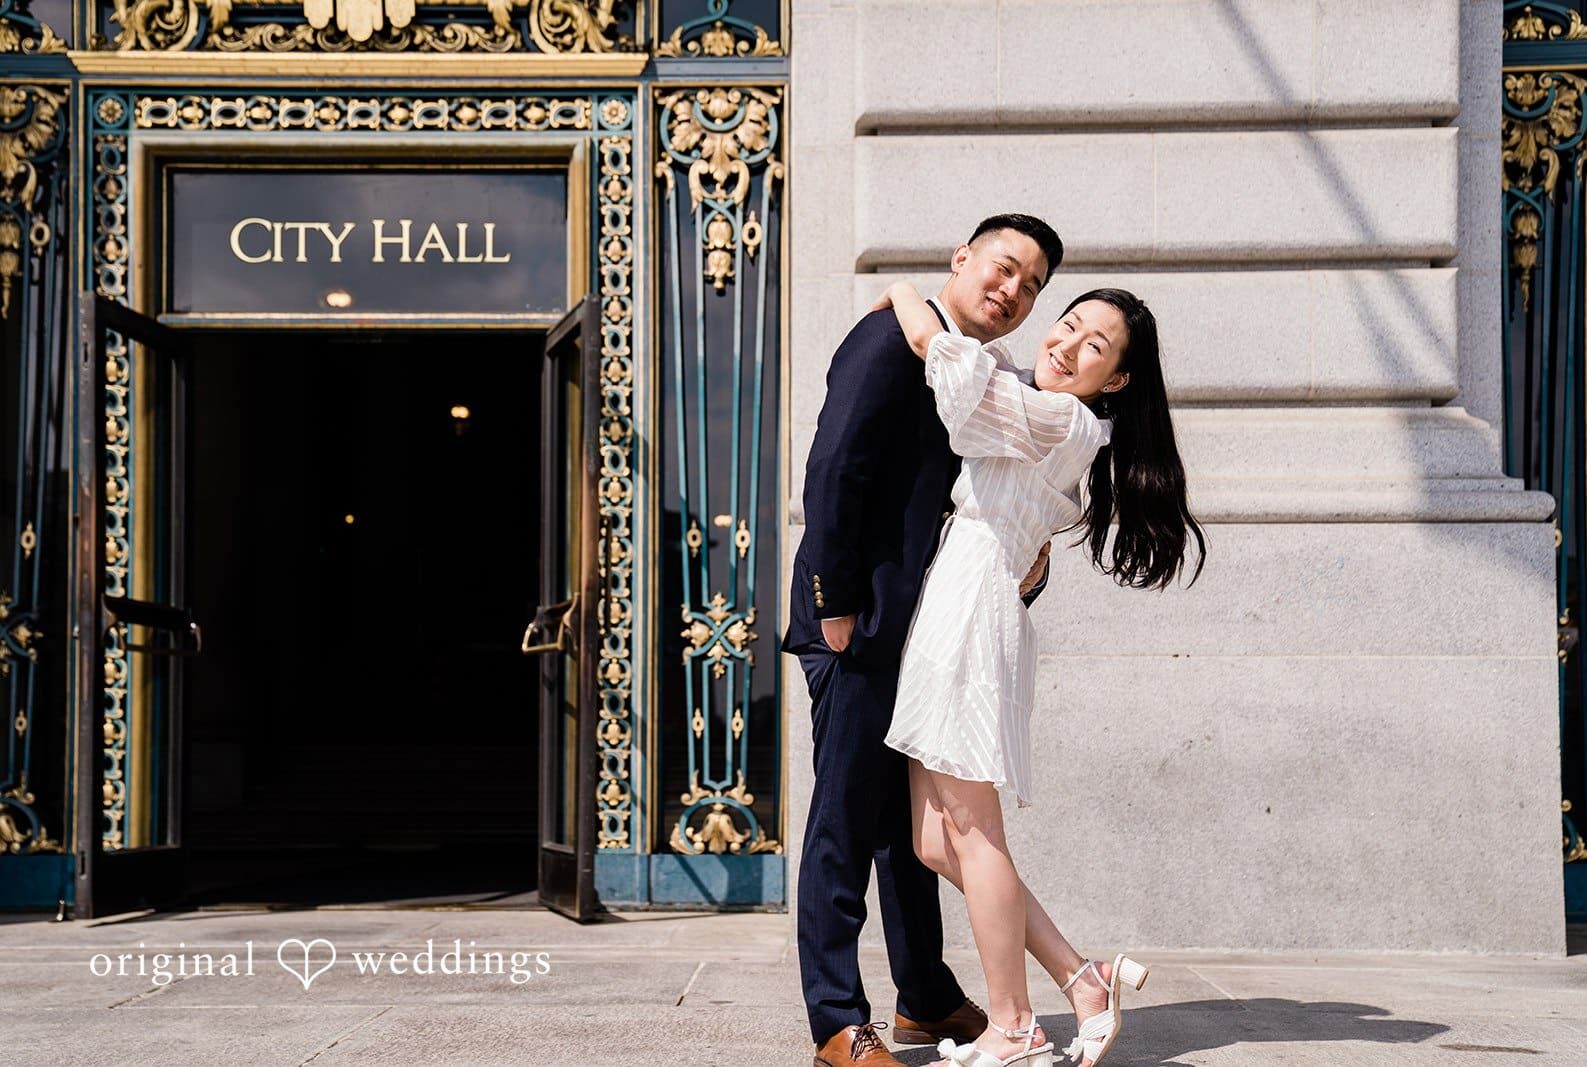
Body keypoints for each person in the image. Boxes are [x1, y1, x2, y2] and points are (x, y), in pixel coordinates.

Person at [874, 281, 1205, 1067]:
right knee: (931, 839)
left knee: (971, 829)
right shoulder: (1049, 410)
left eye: (1093, 345)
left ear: (1115, 379)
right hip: (959, 599)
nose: (1063, 343)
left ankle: (1014, 1025)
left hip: (970, 610)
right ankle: (1081, 977)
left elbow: (955, 382)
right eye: (1068, 324)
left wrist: (902, 295)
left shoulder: (1061, 417)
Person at [785, 214, 1066, 1067]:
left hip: (934, 632)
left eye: (1029, 285)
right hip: (859, 622)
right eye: (1003, 267)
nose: (1011, 290)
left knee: (910, 821)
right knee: (844, 814)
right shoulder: (887, 340)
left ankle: (925, 996)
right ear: (962, 259)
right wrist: (834, 603)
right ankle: (836, 1018)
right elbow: (834, 467)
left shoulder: (980, 373)